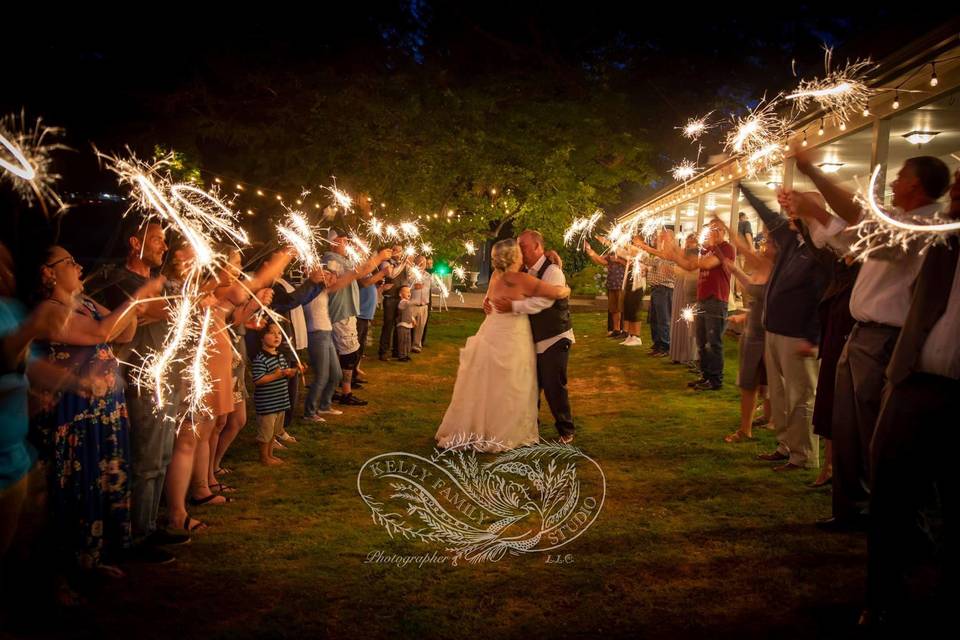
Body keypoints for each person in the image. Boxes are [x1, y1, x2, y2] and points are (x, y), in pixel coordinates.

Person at [31, 245, 163, 580]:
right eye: (69, 261)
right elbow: (102, 333)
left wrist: (136, 307)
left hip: (105, 407)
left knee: (102, 480)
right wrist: (137, 298)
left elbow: (126, 332)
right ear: (49, 273)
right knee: (76, 484)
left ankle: (95, 555)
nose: (77, 266)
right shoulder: (49, 310)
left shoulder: (86, 304)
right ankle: (63, 572)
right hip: (74, 410)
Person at [437, 238, 570, 450]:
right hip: (513, 336)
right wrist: (567, 290)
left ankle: (483, 428)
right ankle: (506, 431)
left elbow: (489, 301)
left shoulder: (495, 278)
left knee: (488, 385)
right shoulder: (521, 279)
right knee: (513, 383)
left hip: (491, 331)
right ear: (515, 256)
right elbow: (555, 292)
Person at [740, 184, 828, 472]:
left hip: (798, 337)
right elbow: (768, 216)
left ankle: (803, 455)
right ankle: (784, 445)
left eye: (797, 210)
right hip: (774, 331)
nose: (790, 215)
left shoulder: (820, 250)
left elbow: (822, 296)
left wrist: (812, 336)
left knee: (800, 396)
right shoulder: (792, 243)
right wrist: (743, 187)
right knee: (778, 394)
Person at [492, 230, 576, 443]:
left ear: (538, 247)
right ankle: (530, 429)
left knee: (553, 386)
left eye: (524, 247)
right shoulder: (524, 271)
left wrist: (514, 306)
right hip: (532, 338)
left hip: (554, 336)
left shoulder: (553, 270)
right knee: (530, 387)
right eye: (518, 247)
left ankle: (566, 430)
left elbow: (544, 302)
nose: (520, 251)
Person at [665, 219, 735, 390]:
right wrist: (673, 254)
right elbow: (690, 266)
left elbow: (706, 264)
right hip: (702, 299)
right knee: (702, 341)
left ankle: (715, 379)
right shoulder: (706, 249)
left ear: (724, 231)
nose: (715, 232)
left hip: (716, 299)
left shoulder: (726, 248)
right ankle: (705, 376)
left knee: (713, 342)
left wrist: (689, 254)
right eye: (712, 229)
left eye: (718, 229)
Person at [251, 322, 300, 465]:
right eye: (272, 333)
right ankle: (264, 457)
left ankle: (270, 455)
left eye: (279, 333)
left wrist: (295, 371)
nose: (277, 336)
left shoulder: (280, 356)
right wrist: (276, 376)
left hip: (280, 402)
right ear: (262, 338)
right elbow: (258, 380)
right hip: (267, 405)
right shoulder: (260, 359)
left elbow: (285, 373)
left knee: (273, 432)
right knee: (265, 433)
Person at [668, 233, 700, 367]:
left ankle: (689, 355)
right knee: (678, 318)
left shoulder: (697, 256)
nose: (688, 244)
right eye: (687, 242)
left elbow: (688, 268)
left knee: (689, 323)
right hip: (680, 287)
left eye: (691, 242)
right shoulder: (684, 254)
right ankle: (677, 353)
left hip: (690, 290)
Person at [584, 243, 626, 337]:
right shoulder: (611, 252)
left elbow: (631, 264)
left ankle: (621, 329)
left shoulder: (625, 252)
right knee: (614, 309)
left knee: (619, 308)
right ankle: (616, 330)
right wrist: (590, 251)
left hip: (621, 284)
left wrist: (618, 259)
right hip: (611, 284)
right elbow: (602, 261)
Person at [395, 285, 415, 362]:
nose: (409, 293)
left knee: (407, 340)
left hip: (408, 325)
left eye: (409, 291)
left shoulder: (407, 302)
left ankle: (406, 354)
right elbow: (406, 305)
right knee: (402, 341)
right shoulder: (402, 302)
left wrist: (413, 319)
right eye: (406, 292)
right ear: (400, 294)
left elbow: (410, 313)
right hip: (402, 325)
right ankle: (401, 356)